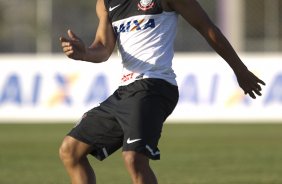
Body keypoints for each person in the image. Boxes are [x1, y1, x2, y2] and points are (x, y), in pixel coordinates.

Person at [59, 0, 266, 183]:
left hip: (155, 86)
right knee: (70, 151)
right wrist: (84, 52)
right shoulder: (105, 2)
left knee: (134, 158)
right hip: (125, 91)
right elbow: (103, 47)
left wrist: (240, 70)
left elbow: (208, 29)